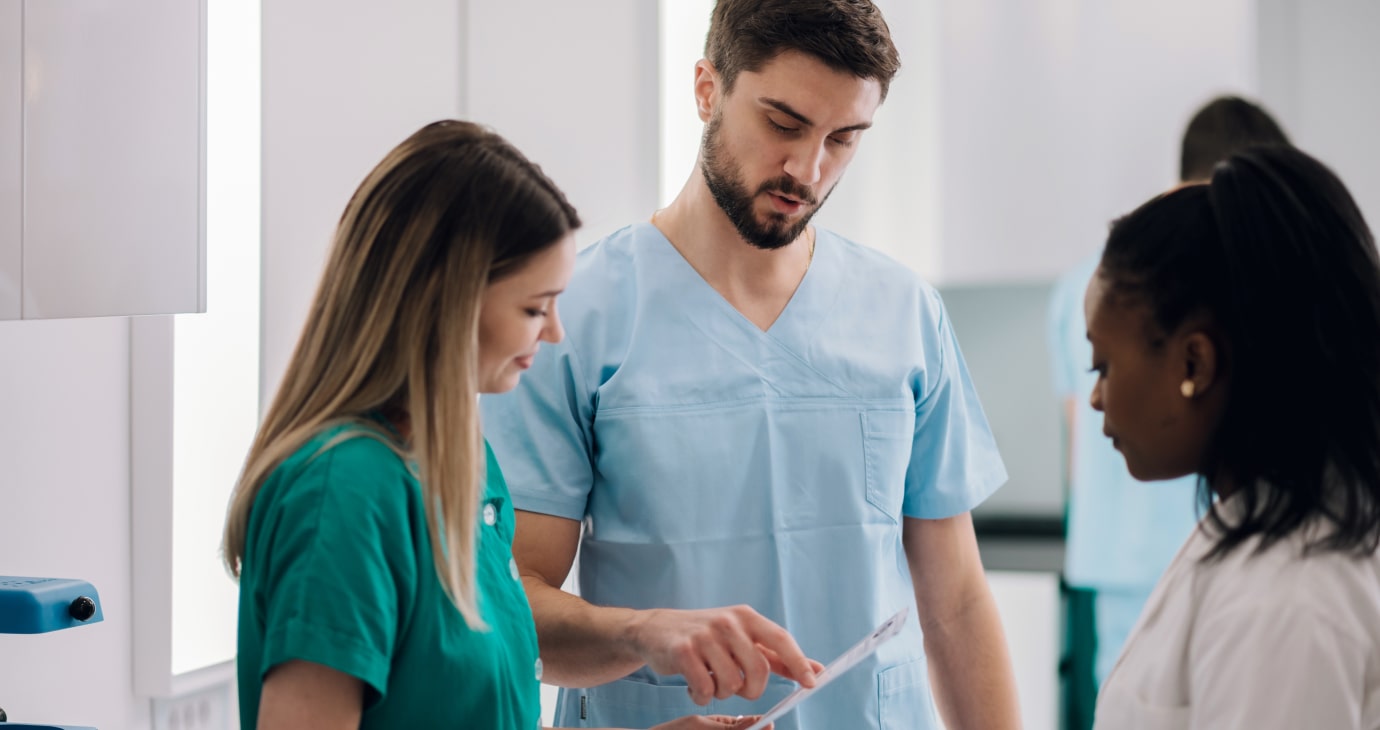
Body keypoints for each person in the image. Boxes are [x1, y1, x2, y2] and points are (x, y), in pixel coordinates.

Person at [479, 2, 1020, 728]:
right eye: (784, 124)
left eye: (844, 139)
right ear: (708, 88)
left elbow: (954, 601)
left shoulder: (903, 313)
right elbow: (517, 600)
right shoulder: (573, 318)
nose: (809, 168)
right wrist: (646, 637)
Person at [221, 120, 764, 730]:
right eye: (534, 307)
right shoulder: (342, 493)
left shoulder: (464, 467)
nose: (555, 332)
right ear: (443, 299)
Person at [1086, 145, 1380, 728]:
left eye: (1103, 367)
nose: (1096, 396)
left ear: (1194, 364)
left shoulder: (1287, 598)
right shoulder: (1263, 530)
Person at [1045, 96, 1292, 701]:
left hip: (1117, 551)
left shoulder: (1084, 280)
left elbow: (1077, 427)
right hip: (1178, 538)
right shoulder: (1231, 279)